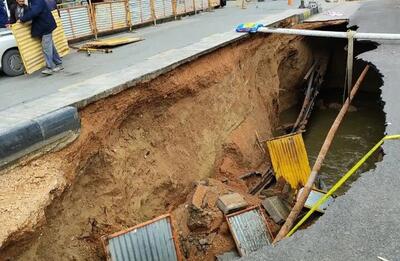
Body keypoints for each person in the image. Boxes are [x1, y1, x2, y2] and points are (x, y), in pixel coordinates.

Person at [19, 0, 63, 75]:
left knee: (46, 47)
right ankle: (59, 63)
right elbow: (31, 12)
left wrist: (22, 19)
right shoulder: (31, 1)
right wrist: (25, 6)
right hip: (44, 26)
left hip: (46, 26)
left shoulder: (37, 1)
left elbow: (34, 12)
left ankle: (49, 67)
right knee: (50, 46)